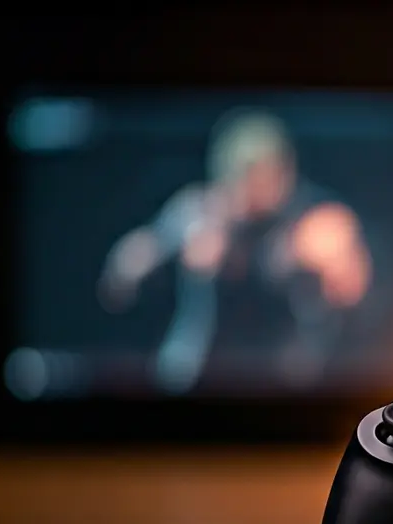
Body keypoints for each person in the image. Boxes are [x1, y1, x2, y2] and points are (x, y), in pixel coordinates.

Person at [97, 109, 372, 392]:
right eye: (246, 173)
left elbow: (361, 301)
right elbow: (120, 282)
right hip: (195, 381)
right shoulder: (198, 212)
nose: (257, 186)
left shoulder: (316, 221)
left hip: (288, 387)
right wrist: (152, 259)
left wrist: (334, 268)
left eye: (268, 173)